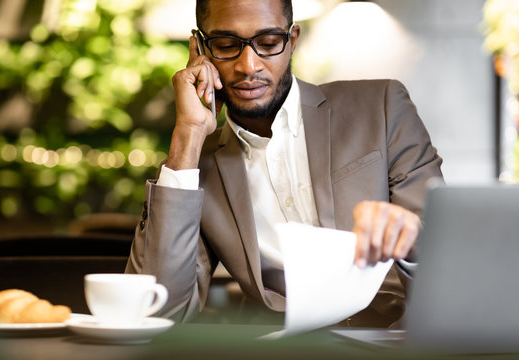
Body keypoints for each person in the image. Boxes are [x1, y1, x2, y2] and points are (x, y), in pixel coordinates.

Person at [126, 0, 443, 327]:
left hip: (399, 340)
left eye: (267, 44)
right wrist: (188, 135)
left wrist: (411, 239)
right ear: (200, 48)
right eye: (225, 45)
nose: (249, 66)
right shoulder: (194, 168)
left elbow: (447, 254)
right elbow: (156, 312)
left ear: (292, 40)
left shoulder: (383, 107)